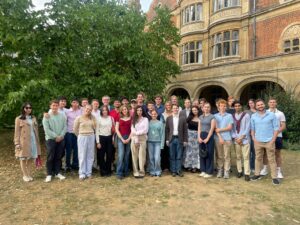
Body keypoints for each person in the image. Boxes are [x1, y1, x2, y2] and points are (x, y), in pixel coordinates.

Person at [250, 99, 280, 185]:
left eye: (261, 104)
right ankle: (257, 174)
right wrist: (253, 138)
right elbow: (252, 128)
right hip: (257, 141)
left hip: (269, 141)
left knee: (271, 159)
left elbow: (276, 128)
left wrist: (273, 140)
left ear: (264, 104)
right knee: (258, 158)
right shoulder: (253, 116)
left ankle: (274, 177)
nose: (260, 106)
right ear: (256, 107)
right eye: (258, 105)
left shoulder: (271, 115)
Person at [14, 102, 41, 182]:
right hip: (24, 142)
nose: (28, 109)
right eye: (27, 108)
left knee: (30, 158)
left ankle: (29, 174)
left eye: (30, 108)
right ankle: (24, 175)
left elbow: (36, 130)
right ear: (23, 109)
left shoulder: (33, 118)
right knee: (23, 158)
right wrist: (17, 143)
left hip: (33, 141)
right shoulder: (18, 119)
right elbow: (17, 132)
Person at [260, 98, 286, 178]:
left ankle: (278, 171)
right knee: (265, 154)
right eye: (270, 102)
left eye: (274, 102)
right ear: (268, 104)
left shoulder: (280, 113)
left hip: (278, 136)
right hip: (267, 137)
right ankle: (265, 169)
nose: (272, 103)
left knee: (277, 154)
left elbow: (283, 126)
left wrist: (276, 132)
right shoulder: (265, 113)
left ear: (276, 103)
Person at [43, 100, 67, 183]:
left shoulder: (62, 116)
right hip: (50, 139)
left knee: (58, 156)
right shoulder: (47, 116)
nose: (55, 107)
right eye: (53, 105)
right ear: (50, 106)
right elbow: (46, 129)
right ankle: (49, 174)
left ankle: (57, 173)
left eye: (56, 105)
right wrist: (56, 136)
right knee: (50, 157)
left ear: (58, 107)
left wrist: (61, 136)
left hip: (61, 139)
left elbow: (65, 126)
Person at [73, 104, 97, 180]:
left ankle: (88, 172)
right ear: (84, 109)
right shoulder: (79, 118)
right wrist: (80, 136)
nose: (88, 110)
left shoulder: (93, 118)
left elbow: (95, 127)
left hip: (91, 136)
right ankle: (82, 173)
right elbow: (75, 129)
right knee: (82, 155)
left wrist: (93, 118)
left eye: (90, 109)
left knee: (90, 155)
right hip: (82, 137)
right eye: (87, 109)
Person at [165, 104, 188, 177]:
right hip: (171, 139)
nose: (175, 109)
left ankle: (179, 170)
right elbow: (167, 130)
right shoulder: (169, 118)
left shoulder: (183, 118)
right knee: (172, 155)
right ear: (172, 109)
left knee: (179, 155)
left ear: (178, 109)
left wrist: (185, 140)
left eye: (176, 108)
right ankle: (173, 171)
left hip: (179, 139)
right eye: (174, 108)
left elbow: (185, 130)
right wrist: (167, 139)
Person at [232, 100, 251, 181]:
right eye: (235, 106)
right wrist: (236, 138)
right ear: (234, 107)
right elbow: (231, 129)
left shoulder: (246, 115)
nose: (237, 107)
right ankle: (239, 171)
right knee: (238, 157)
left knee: (246, 157)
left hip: (245, 139)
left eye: (239, 106)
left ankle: (247, 173)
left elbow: (248, 127)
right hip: (236, 140)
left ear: (241, 106)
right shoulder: (232, 116)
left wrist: (242, 137)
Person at [214, 99, 233, 179]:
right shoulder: (215, 116)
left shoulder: (229, 116)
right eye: (221, 106)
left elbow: (230, 127)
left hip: (227, 138)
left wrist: (220, 130)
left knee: (227, 156)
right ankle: (220, 170)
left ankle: (226, 171)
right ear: (218, 107)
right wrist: (220, 137)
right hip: (218, 138)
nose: (223, 107)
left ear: (226, 107)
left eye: (224, 106)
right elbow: (215, 128)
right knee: (219, 155)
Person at [131, 106, 149, 178]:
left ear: (142, 111)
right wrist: (135, 137)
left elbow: (145, 130)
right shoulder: (133, 119)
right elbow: (132, 129)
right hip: (134, 139)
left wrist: (137, 133)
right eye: (138, 110)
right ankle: (135, 171)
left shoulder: (145, 119)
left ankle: (142, 171)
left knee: (142, 156)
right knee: (134, 156)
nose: (139, 111)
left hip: (142, 139)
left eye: (140, 110)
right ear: (136, 111)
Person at [198, 103, 216, 178]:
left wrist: (208, 138)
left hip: (209, 136)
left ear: (210, 108)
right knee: (202, 153)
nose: (206, 108)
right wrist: (199, 137)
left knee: (209, 154)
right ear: (203, 108)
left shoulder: (212, 117)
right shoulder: (200, 117)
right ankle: (203, 170)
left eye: (208, 107)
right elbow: (199, 128)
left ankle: (209, 172)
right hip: (201, 135)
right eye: (205, 107)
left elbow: (212, 129)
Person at [96, 105, 114, 177]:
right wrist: (98, 142)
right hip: (101, 138)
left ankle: (108, 170)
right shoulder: (98, 119)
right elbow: (97, 131)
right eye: (103, 110)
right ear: (101, 111)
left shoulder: (111, 118)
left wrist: (112, 139)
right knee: (101, 156)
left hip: (109, 138)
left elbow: (113, 130)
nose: (104, 111)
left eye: (106, 110)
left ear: (108, 111)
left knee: (109, 155)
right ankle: (103, 171)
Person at [65, 98, 82, 172]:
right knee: (68, 150)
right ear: (71, 103)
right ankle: (67, 165)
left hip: (78, 133)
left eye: (76, 102)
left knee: (77, 150)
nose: (75, 104)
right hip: (69, 133)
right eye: (73, 102)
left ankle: (75, 165)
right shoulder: (67, 111)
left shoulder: (81, 111)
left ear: (78, 104)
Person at [115, 105, 132, 179]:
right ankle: (119, 172)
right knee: (121, 155)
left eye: (126, 109)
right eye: (123, 109)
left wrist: (129, 138)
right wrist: (121, 139)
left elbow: (132, 129)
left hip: (129, 137)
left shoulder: (131, 118)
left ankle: (126, 171)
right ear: (121, 110)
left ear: (128, 110)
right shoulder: (119, 118)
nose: (125, 110)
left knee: (127, 155)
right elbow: (116, 129)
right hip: (120, 138)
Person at [147, 110, 165, 177]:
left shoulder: (160, 123)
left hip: (158, 142)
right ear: (151, 115)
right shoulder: (148, 122)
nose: (154, 115)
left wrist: (162, 144)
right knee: (151, 157)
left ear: (157, 115)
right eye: (152, 114)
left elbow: (162, 134)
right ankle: (152, 171)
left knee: (157, 157)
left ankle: (158, 171)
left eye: (155, 114)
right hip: (150, 142)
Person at [183, 106, 200, 172]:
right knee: (189, 151)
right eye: (193, 110)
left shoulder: (200, 118)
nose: (194, 111)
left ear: (198, 110)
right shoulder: (189, 118)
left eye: (195, 110)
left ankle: (195, 166)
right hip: (189, 136)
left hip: (197, 136)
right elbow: (185, 126)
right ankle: (188, 165)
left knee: (195, 152)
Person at [160, 101, 173, 171]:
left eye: (169, 105)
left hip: (172, 133)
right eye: (167, 105)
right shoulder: (162, 114)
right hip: (164, 134)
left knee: (171, 150)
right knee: (164, 150)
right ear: (165, 106)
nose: (168, 106)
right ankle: (164, 166)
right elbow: (162, 125)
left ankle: (170, 166)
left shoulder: (173, 114)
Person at [245, 98, 256, 173]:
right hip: (248, 134)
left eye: (252, 103)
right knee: (248, 152)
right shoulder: (246, 112)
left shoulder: (259, 112)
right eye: (249, 103)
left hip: (256, 134)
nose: (251, 104)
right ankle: (247, 167)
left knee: (254, 151)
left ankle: (253, 167)